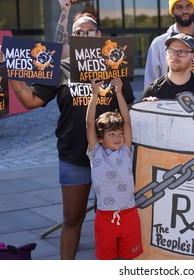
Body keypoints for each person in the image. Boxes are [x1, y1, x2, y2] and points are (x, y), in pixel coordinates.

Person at [8, 12, 135, 259]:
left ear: (99, 35)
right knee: (72, 218)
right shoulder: (61, 68)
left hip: (111, 157)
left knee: (111, 217)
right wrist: (11, 72)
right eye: (78, 32)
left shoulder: (115, 66)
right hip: (73, 154)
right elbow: (31, 100)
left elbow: (127, 109)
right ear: (72, 38)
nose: (84, 35)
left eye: (90, 31)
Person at [86, 78, 142, 260]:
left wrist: (119, 93)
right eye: (111, 134)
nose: (118, 137)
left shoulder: (126, 151)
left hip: (129, 215)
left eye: (119, 133)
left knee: (128, 259)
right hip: (105, 218)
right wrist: (94, 96)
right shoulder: (96, 154)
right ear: (100, 138)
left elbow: (126, 122)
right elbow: (89, 125)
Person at [143, 0, 194, 90]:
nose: (185, 11)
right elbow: (150, 84)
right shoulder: (159, 44)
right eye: (179, 7)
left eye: (189, 6)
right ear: (172, 12)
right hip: (168, 101)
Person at [142, 33, 194, 104]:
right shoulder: (153, 90)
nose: (175, 56)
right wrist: (148, 108)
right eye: (171, 51)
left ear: (193, 56)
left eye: (182, 52)